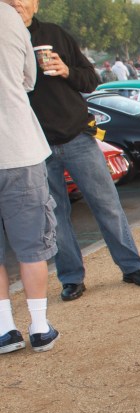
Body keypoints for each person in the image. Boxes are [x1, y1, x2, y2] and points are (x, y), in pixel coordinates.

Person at [19, 0, 140, 302]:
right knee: (55, 216)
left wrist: (67, 69)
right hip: (35, 145)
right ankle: (71, 277)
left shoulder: (55, 34)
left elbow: (91, 80)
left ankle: (133, 266)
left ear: (35, 2)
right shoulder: (5, 41)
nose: (17, 3)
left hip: (77, 136)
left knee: (107, 204)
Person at [0, 0, 58, 354]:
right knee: (32, 245)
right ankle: (38, 326)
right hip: (18, 148)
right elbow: (28, 79)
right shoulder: (10, 19)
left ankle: (4, 328)